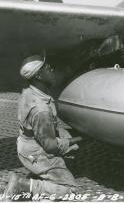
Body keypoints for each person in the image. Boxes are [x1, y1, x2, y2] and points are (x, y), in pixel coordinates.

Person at [3, 55, 82, 201]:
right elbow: (50, 146)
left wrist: (87, 56)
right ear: (38, 75)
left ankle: (37, 175)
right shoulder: (41, 110)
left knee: (69, 138)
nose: (52, 70)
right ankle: (24, 186)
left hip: (27, 143)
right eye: (48, 68)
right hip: (37, 152)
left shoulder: (30, 90)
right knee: (69, 190)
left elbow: (59, 76)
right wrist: (78, 139)